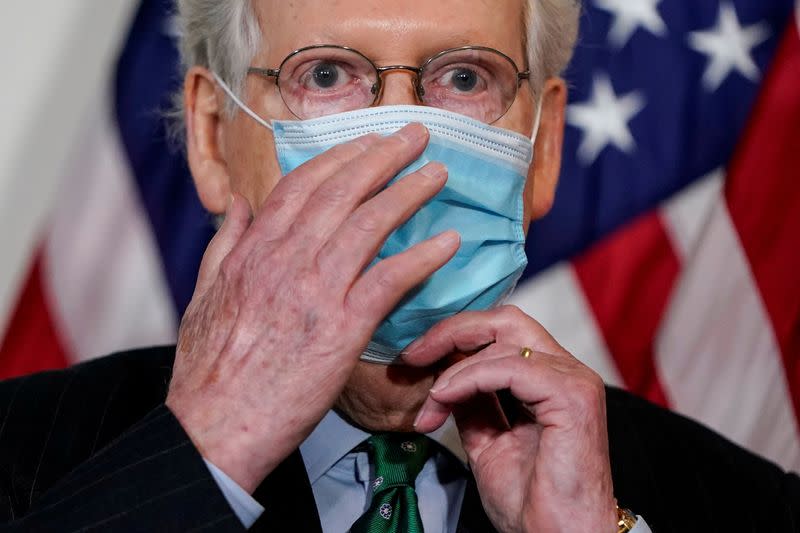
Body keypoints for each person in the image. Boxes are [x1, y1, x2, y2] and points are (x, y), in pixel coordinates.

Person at [0, 0, 797, 531]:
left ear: (544, 145)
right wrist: (205, 459)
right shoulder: (19, 452)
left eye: (463, 78)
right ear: (212, 136)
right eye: (326, 75)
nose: (399, 142)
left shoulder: (750, 506)